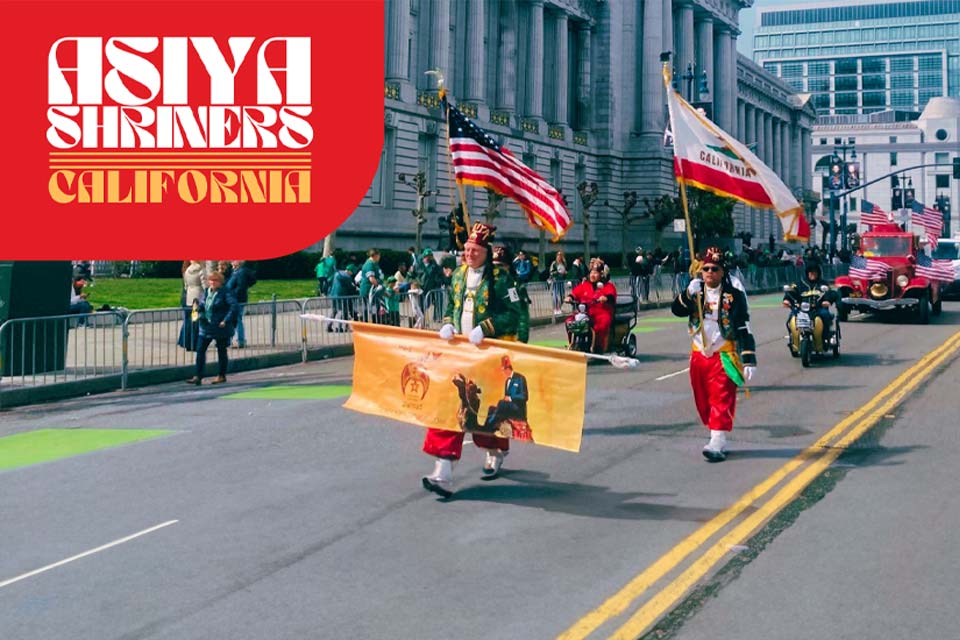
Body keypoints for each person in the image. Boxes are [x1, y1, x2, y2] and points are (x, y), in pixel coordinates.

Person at [422, 222, 522, 499]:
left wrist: (486, 328)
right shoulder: (457, 276)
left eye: (474, 250)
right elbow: (451, 306)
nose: (469, 254)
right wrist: (446, 324)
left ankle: (496, 450)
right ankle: (442, 472)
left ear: (486, 251)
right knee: (450, 406)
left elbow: (514, 313)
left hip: (487, 355)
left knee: (485, 411)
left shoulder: (501, 278)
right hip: (460, 352)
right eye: (466, 249)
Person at [671, 247, 757, 462]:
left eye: (714, 269)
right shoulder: (696, 293)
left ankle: (717, 440)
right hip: (699, 354)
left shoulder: (733, 296)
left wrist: (749, 358)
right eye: (706, 268)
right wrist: (686, 294)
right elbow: (677, 310)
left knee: (721, 397)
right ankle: (716, 435)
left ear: (722, 272)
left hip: (723, 355)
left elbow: (743, 326)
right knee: (703, 399)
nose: (709, 272)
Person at [187, 271, 238, 386]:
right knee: (200, 350)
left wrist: (225, 320)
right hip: (206, 326)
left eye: (215, 281)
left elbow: (234, 306)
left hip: (220, 326)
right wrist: (197, 309)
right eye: (211, 280)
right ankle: (198, 376)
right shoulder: (206, 292)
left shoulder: (225, 293)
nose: (213, 283)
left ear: (220, 282)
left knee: (221, 350)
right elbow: (202, 305)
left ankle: (221, 375)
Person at [782, 261, 837, 353]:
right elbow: (791, 292)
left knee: (825, 315)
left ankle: (825, 338)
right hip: (801, 309)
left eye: (815, 272)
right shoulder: (799, 283)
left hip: (818, 308)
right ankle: (793, 339)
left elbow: (830, 293)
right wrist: (787, 300)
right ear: (807, 273)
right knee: (790, 319)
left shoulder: (822, 284)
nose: (813, 274)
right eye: (811, 272)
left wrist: (827, 301)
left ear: (818, 273)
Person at [566, 267, 617, 353]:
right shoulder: (585, 285)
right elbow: (575, 293)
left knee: (600, 325)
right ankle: (573, 344)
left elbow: (611, 296)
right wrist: (569, 297)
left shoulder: (607, 285)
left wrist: (605, 298)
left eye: (595, 273)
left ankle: (599, 347)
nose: (592, 275)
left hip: (601, 312)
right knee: (570, 322)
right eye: (591, 273)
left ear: (601, 275)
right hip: (585, 312)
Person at [493, 245, 531, 343]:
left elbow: (521, 312)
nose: (497, 269)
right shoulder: (487, 283)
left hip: (508, 337)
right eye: (494, 265)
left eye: (500, 266)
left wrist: (522, 338)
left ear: (508, 266)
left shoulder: (513, 287)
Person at [226, 260, 257, 348]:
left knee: (237, 320)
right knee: (235, 320)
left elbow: (241, 287)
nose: (231, 262)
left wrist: (231, 296)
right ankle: (235, 340)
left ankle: (240, 340)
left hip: (237, 300)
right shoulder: (234, 271)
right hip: (234, 299)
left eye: (233, 260)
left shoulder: (241, 272)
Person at [178, 260, 204, 351]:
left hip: (189, 298)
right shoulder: (201, 270)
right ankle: (194, 343)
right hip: (197, 299)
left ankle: (187, 343)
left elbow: (185, 286)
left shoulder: (187, 271)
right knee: (195, 321)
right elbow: (204, 285)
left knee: (189, 321)